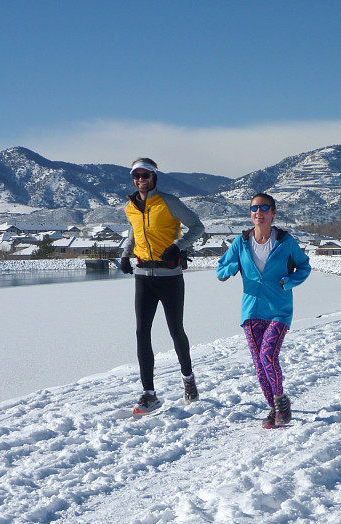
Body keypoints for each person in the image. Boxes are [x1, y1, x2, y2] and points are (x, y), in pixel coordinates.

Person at [216, 193, 311, 428]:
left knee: (268, 355)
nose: (258, 212)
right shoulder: (241, 242)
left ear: (273, 213)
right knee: (259, 365)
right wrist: (232, 266)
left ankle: (281, 403)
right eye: (254, 208)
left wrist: (288, 282)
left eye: (264, 207)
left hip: (279, 309)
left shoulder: (285, 242)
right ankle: (273, 408)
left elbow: (304, 266)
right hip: (251, 311)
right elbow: (220, 269)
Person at [120, 157, 205, 415]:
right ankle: (149, 393)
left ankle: (188, 379)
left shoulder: (168, 202)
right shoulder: (130, 207)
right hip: (143, 275)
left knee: (175, 329)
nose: (141, 180)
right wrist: (125, 254)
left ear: (154, 177)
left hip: (170, 276)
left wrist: (176, 247)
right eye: (137, 176)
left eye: (145, 176)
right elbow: (134, 233)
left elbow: (197, 227)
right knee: (141, 332)